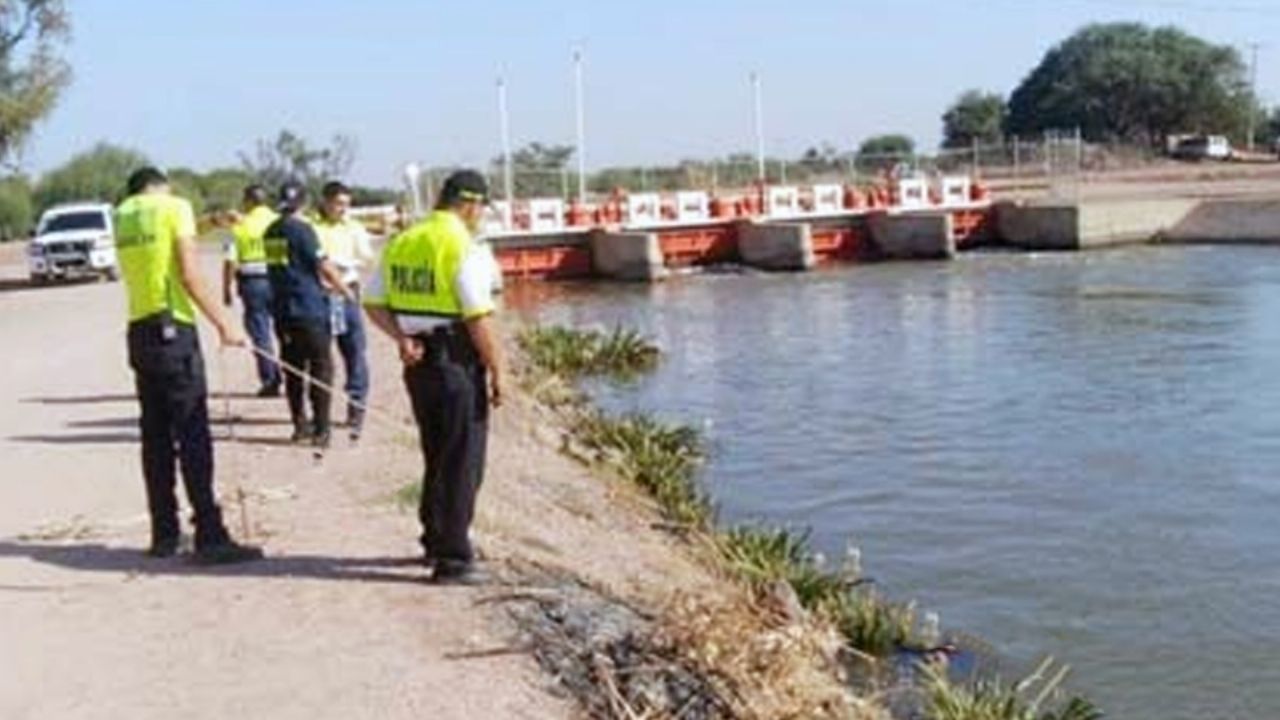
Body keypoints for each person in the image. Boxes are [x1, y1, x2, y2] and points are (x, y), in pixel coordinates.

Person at [114, 166, 263, 564]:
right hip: (173, 328)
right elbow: (190, 273)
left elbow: (164, 241)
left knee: (156, 437)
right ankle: (210, 535)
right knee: (193, 431)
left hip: (140, 329)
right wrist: (226, 325)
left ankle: (164, 533)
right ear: (163, 187)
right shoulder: (173, 206)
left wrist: (208, 222)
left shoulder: (123, 214)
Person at [364, 169, 504, 585]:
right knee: (463, 459)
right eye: (480, 207)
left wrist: (401, 337)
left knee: (437, 453)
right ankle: (454, 558)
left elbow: (372, 301)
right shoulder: (462, 244)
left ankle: (434, 537)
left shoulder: (403, 240)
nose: (480, 216)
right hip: (456, 358)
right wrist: (499, 369)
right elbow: (478, 317)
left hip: (418, 361)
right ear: (470, 204)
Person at [264, 180, 354, 449]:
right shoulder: (303, 230)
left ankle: (299, 424)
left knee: (293, 369)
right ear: (302, 203)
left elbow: (281, 267)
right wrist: (345, 290)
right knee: (321, 367)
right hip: (309, 308)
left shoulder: (271, 231)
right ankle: (322, 428)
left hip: (283, 309)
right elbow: (322, 264)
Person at [312, 181, 374, 439]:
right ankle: (320, 414)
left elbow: (367, 256)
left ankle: (356, 406)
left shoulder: (354, 228)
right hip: (320, 295)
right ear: (326, 201)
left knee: (355, 352)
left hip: (347, 291)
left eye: (347, 205)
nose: (342, 209)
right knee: (320, 358)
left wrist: (346, 262)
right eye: (338, 204)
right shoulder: (312, 227)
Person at [222, 184, 282, 397]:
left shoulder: (239, 225)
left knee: (260, 333)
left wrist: (226, 289)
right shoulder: (277, 220)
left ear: (247, 201)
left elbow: (230, 260)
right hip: (279, 279)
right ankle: (294, 378)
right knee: (285, 332)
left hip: (252, 282)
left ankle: (270, 380)